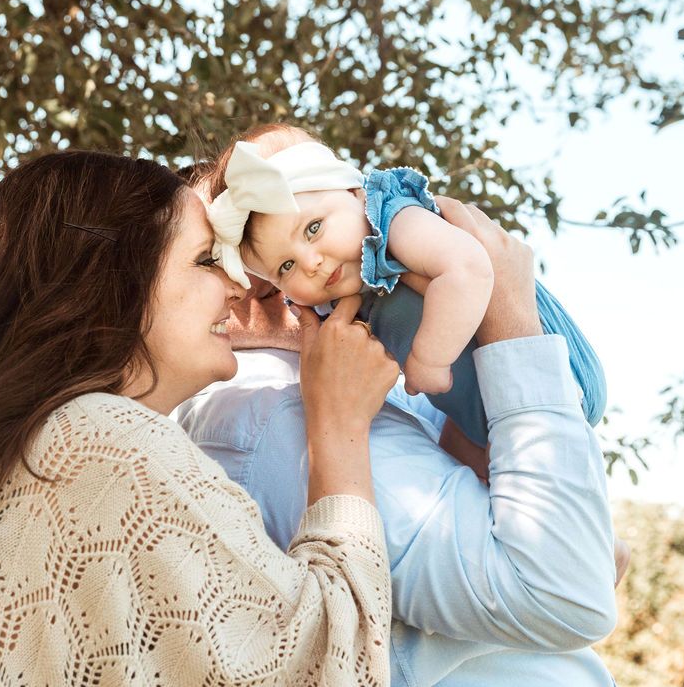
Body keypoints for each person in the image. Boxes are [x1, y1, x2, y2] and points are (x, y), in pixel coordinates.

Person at [0, 150, 401, 686]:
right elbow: (320, 664)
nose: (237, 290)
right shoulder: (103, 446)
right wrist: (339, 427)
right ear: (116, 284)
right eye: (204, 261)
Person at [176, 192, 623, 686]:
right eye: (232, 251)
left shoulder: (370, 379)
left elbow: (573, 549)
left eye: (311, 220)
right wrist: (509, 319)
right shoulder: (274, 411)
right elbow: (569, 594)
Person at [203, 123, 607, 457]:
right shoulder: (341, 288)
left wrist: (429, 359)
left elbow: (468, 269)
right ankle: (606, 546)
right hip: (482, 415)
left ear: (353, 193)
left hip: (552, 377)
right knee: (473, 480)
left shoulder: (393, 219)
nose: (311, 263)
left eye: (313, 228)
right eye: (286, 266)